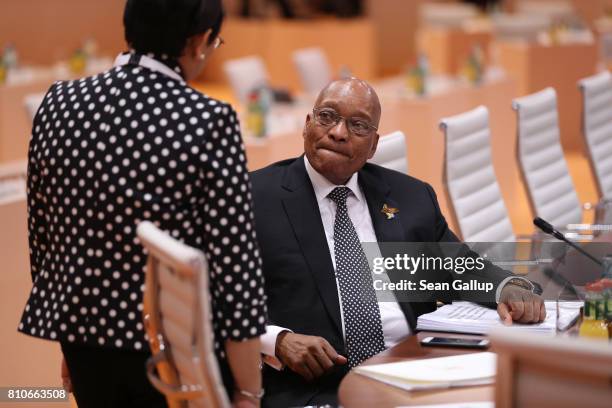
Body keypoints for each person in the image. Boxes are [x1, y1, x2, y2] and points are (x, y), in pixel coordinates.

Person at [18, 1, 267, 407]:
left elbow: (44, 239)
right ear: (199, 41)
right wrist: (248, 391)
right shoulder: (208, 120)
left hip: (83, 344)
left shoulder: (57, 102)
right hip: (175, 358)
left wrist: (68, 339)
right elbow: (235, 271)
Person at [250, 78, 545, 407]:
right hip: (315, 390)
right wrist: (277, 340)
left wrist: (507, 285)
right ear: (307, 125)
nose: (338, 132)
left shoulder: (410, 197)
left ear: (373, 146)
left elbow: (458, 266)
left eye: (358, 125)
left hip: (414, 373)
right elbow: (212, 301)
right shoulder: (256, 199)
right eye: (328, 117)